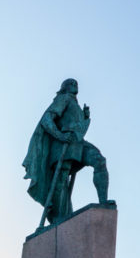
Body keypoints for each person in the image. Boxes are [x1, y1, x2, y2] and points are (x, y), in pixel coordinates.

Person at [23, 78, 114, 225]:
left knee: (99, 161)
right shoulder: (63, 98)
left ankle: (103, 201)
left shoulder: (75, 104)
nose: (75, 85)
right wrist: (61, 136)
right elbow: (46, 120)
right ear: (64, 88)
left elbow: (78, 129)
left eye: (76, 83)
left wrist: (85, 118)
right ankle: (58, 217)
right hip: (63, 143)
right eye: (71, 83)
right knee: (61, 179)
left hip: (78, 142)